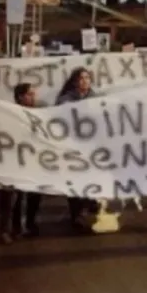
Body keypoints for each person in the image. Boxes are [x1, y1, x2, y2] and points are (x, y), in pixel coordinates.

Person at [56, 68, 97, 232]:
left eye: (88, 78)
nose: (85, 81)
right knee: (75, 183)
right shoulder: (65, 101)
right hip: (72, 148)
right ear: (74, 82)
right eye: (82, 78)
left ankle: (85, 211)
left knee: (89, 181)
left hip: (91, 149)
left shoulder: (96, 99)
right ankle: (77, 215)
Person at [10, 83, 42, 237]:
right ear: (20, 97)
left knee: (35, 194)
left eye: (33, 94)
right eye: (29, 94)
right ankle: (16, 225)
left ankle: (30, 222)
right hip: (19, 160)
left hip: (36, 160)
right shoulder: (12, 113)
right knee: (18, 196)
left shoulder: (39, 113)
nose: (33, 97)